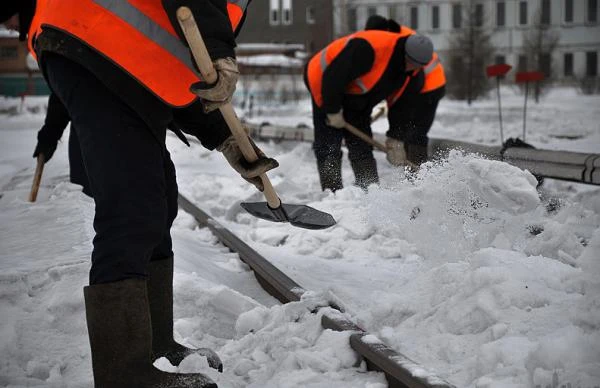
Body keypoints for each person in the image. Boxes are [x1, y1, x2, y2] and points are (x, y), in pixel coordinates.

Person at [3, 1, 278, 387]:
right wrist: (220, 52)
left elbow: (170, 66)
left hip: (119, 56)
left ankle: (153, 343)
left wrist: (225, 139)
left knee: (159, 199)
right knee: (131, 205)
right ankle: (123, 373)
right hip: (88, 38)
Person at [304, 28, 434, 192]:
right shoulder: (367, 50)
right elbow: (334, 77)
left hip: (356, 95)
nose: (412, 68)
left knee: (362, 143)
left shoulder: (412, 74)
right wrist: (332, 110)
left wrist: (396, 139)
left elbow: (402, 107)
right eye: (411, 63)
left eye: (418, 66)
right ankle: (333, 193)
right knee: (329, 143)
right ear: (404, 53)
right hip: (323, 81)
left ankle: (369, 190)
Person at [363, 15, 447, 170]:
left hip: (429, 87)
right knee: (409, 130)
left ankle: (419, 173)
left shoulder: (399, 40)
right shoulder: (395, 35)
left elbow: (400, 79)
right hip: (420, 86)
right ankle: (412, 170)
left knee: (416, 132)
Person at [33, 93, 92, 196]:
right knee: (83, 195)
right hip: (85, 135)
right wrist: (48, 136)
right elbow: (61, 99)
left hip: (120, 133)